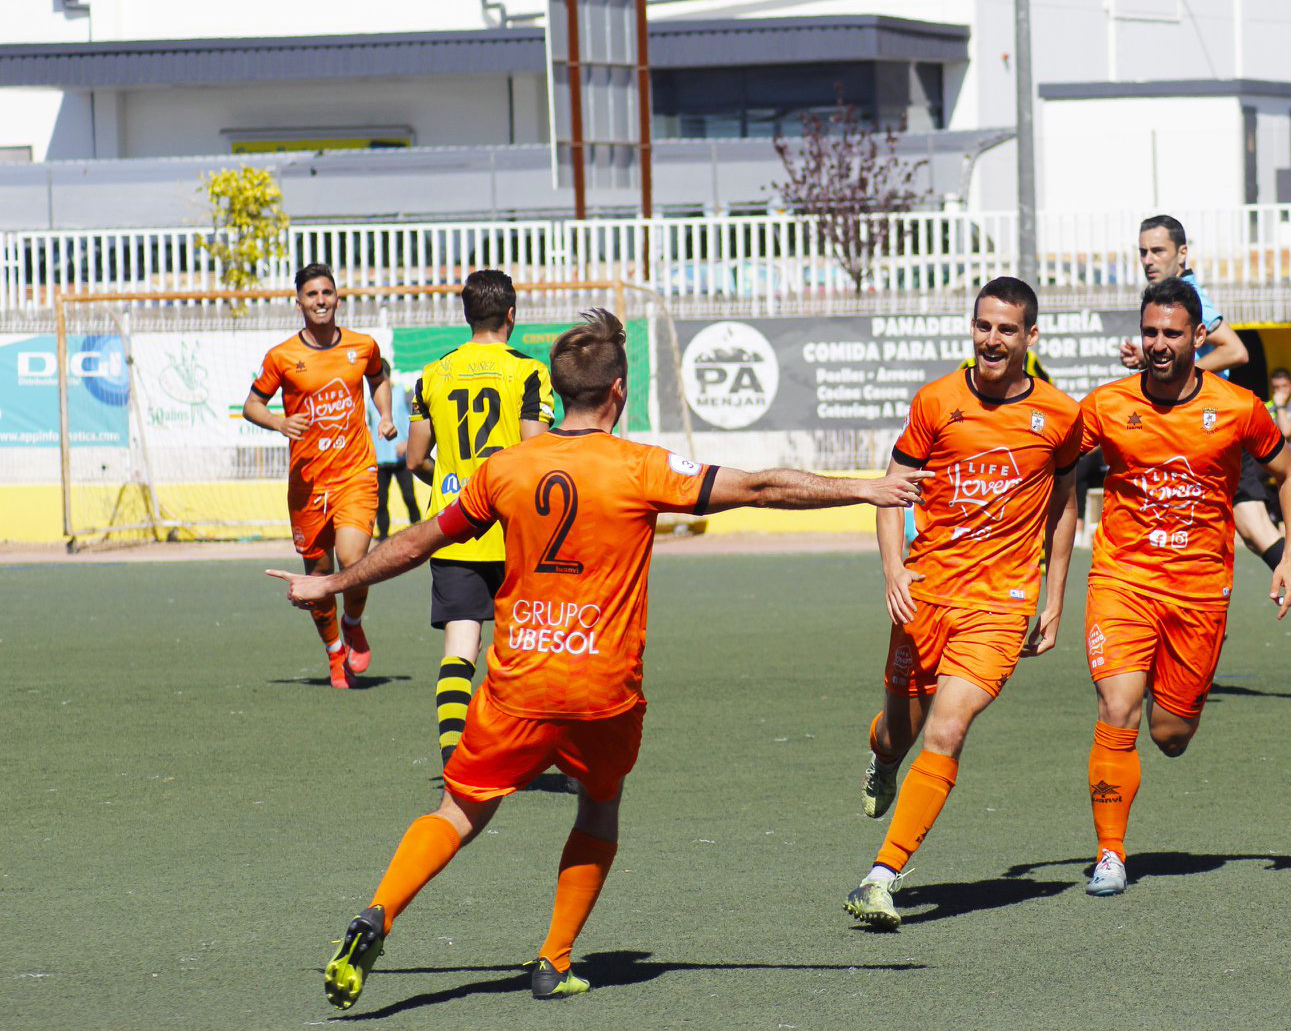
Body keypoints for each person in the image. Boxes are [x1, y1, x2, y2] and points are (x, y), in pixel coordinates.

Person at [268, 309, 926, 1010]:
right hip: (603, 690)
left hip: (520, 684)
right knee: (599, 804)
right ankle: (552, 961)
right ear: (617, 393)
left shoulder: (505, 469)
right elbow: (762, 487)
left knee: (459, 809)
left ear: (554, 396)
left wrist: (333, 582)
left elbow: (421, 539)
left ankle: (377, 914)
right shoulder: (642, 467)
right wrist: (863, 487)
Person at [844, 277, 1083, 932]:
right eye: (983, 326)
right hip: (926, 597)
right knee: (899, 731)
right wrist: (894, 569)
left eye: (1007, 329)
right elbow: (893, 490)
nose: (992, 339)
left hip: (1000, 605)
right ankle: (883, 761)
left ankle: (880, 877)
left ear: (1031, 337)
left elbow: (1065, 506)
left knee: (948, 728)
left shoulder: (1060, 416)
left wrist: (1055, 598)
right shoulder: (936, 402)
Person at [1076, 277, 1291, 896]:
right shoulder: (1105, 405)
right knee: (1117, 709)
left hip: (1200, 593)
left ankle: (1164, 687)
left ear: (1198, 336)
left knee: (1170, 737)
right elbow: (1050, 468)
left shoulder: (1238, 409)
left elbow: (1290, 474)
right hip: (1122, 580)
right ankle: (1110, 854)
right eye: (1150, 332)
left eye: (1172, 333)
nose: (1158, 344)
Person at [1120, 215, 1291, 693]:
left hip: (1215, 428)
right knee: (1252, 530)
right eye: (1142, 252)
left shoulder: (1190, 296)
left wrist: (1173, 366)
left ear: (1182, 254)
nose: (1148, 260)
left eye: (1157, 251)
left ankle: (1166, 649)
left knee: (1228, 532)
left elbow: (1236, 350)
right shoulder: (1174, 300)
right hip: (1209, 429)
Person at [405, 270, 554, 766]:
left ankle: (454, 756)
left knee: (460, 646)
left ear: (465, 315)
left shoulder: (432, 374)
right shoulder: (529, 372)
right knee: (529, 649)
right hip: (515, 530)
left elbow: (414, 459)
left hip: (454, 527)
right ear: (512, 314)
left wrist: (453, 479)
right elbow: (535, 452)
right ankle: (538, 754)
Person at [242, 262, 393, 688]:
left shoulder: (363, 346)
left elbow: (380, 378)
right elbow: (253, 405)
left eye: (326, 292)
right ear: (299, 303)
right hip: (307, 483)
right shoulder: (282, 356)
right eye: (311, 295)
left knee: (353, 559)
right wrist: (278, 423)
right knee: (317, 575)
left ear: (337, 298)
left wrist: (383, 414)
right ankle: (333, 652)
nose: (320, 300)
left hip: (355, 473)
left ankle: (354, 621)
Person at [370, 380, 420, 538]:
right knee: (381, 501)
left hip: (401, 457)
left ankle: (419, 532)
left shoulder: (403, 390)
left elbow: (418, 418)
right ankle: (383, 537)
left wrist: (408, 442)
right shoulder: (370, 397)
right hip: (380, 459)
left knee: (409, 497)